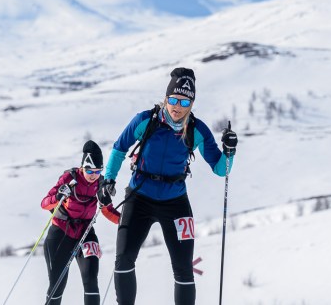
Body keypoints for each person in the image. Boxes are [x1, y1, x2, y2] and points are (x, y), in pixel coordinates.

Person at [100, 67, 238, 305]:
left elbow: (220, 169)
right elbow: (119, 147)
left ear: (191, 104)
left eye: (184, 102)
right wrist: (108, 178)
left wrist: (230, 151)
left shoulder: (197, 130)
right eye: (173, 99)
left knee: (184, 269)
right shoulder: (145, 121)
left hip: (175, 203)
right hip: (139, 197)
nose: (177, 106)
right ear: (166, 98)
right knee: (124, 259)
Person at [41, 140, 121, 305]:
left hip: (86, 233)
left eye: (98, 171)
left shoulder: (100, 183)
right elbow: (45, 203)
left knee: (91, 280)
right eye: (89, 170)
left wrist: (125, 221)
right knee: (57, 284)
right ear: (82, 167)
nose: (93, 175)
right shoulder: (69, 178)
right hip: (61, 233)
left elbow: (108, 211)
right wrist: (58, 196)